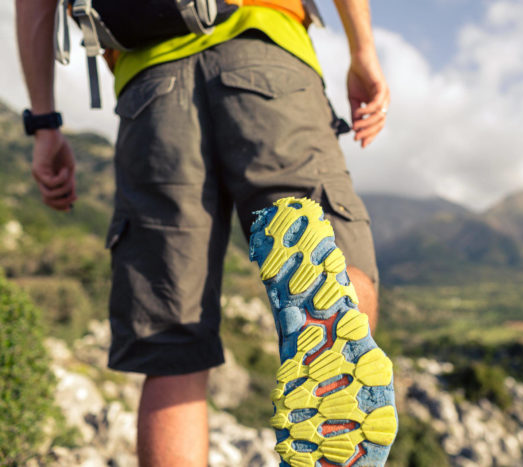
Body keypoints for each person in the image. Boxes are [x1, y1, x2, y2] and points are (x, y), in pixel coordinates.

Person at [16, 0, 396, 465]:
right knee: (330, 262)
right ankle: (335, 364)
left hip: (150, 88)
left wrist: (44, 124)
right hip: (266, 50)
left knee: (172, 346)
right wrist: (364, 53)